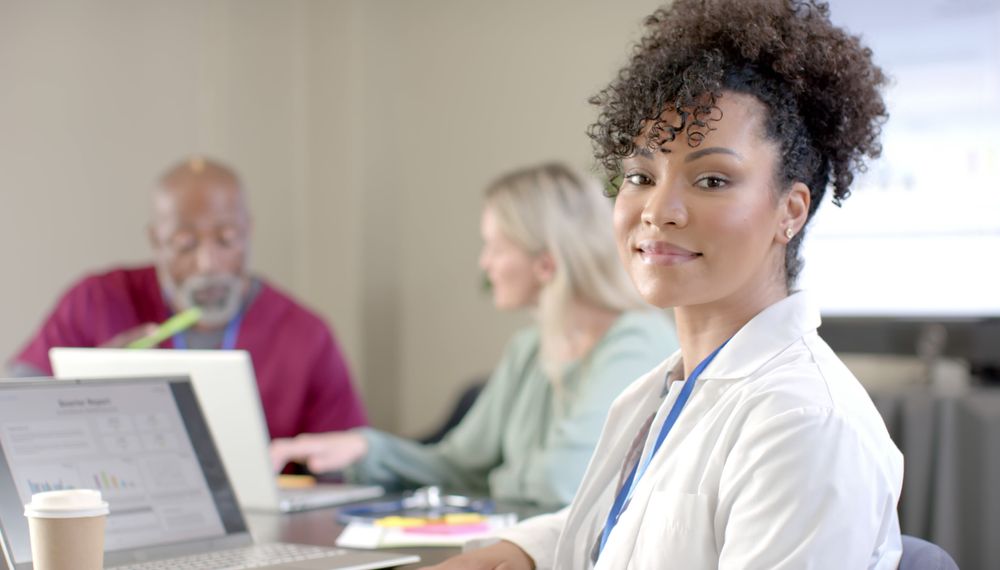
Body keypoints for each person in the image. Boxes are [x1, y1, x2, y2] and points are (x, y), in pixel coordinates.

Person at [426, 0, 902, 568]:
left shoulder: (804, 423)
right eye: (640, 176)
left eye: (711, 179)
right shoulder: (673, 388)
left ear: (790, 211)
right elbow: (636, 525)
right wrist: (522, 550)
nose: (659, 210)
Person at [269, 162, 678, 507]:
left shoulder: (637, 341)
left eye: (496, 248)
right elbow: (460, 465)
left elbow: (565, 480)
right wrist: (365, 448)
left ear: (545, 264)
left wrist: (492, 479)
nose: (485, 264)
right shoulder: (529, 348)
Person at [8, 157, 368, 439]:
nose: (208, 263)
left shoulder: (305, 333)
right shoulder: (96, 300)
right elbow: (16, 410)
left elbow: (346, 464)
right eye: (185, 245)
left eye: (227, 239)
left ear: (249, 232)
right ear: (156, 241)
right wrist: (87, 383)